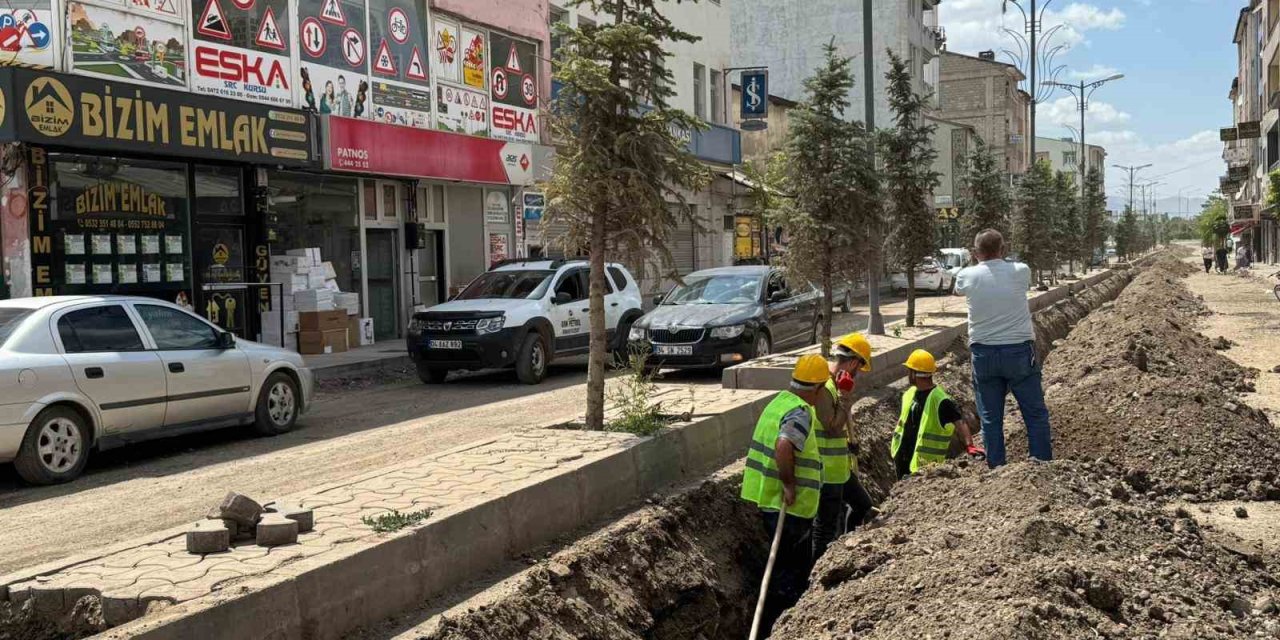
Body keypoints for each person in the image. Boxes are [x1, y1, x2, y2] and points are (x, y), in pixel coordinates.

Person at [741, 354, 828, 636]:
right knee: (790, 576)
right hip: (790, 510)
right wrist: (789, 484)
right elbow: (783, 446)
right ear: (816, 388)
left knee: (781, 570)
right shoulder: (800, 411)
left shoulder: (778, 402)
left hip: (769, 501)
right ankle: (781, 629)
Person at [954, 229, 1053, 467]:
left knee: (990, 419)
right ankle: (1043, 466)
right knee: (1035, 415)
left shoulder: (966, 275)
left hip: (984, 354)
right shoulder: (1021, 271)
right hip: (1019, 352)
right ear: (1004, 249)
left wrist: (974, 261)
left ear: (976, 252)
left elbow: (958, 289)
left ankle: (997, 470)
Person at [811, 333, 876, 558]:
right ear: (853, 362)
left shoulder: (836, 384)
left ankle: (849, 546)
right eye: (859, 367)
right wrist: (845, 396)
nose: (858, 374)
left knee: (863, 506)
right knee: (825, 528)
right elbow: (832, 428)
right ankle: (817, 578)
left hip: (840, 469)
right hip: (826, 472)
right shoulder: (826, 387)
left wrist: (851, 443)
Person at [890, 349, 980, 478]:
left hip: (925, 468)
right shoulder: (909, 394)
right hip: (902, 457)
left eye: (910, 371)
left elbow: (960, 423)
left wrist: (970, 446)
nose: (908, 375)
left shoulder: (941, 400)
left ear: (915, 374)